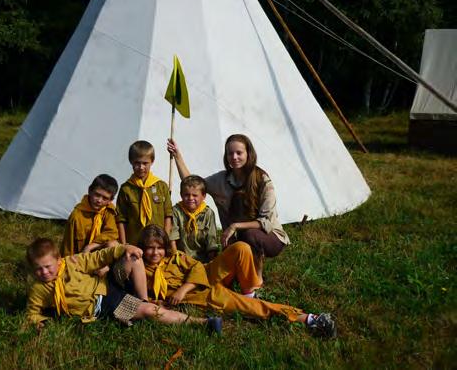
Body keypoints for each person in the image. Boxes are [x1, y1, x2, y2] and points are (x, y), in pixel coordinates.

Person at [139, 225, 336, 338]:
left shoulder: (174, 257)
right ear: (142, 248)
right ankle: (310, 319)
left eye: (159, 248)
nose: (155, 253)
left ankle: (250, 290)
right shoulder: (141, 271)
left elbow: (197, 267)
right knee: (253, 308)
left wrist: (183, 288)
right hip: (202, 295)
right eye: (150, 248)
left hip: (205, 275)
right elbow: (147, 297)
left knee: (241, 247)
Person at [25, 238, 222, 334]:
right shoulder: (38, 289)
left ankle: (142, 297)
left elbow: (99, 257)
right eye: (38, 269)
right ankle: (203, 323)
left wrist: (124, 248)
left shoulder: (72, 262)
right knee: (150, 311)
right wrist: (39, 321)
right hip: (106, 306)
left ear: (58, 260)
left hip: (108, 285)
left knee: (133, 257)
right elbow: (32, 312)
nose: (44, 272)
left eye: (47, 266)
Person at [167, 134, 290, 272]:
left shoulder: (262, 180)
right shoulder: (221, 179)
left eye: (239, 153)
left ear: (248, 153)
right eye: (230, 153)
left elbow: (267, 220)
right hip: (235, 237)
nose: (234, 157)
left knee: (250, 235)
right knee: (228, 269)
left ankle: (257, 277)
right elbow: (194, 186)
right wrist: (177, 155)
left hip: (269, 236)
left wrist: (235, 226)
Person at [117, 141, 173, 247]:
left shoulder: (161, 186)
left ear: (152, 161)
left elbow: (168, 216)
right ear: (131, 162)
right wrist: (124, 245)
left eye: (145, 163)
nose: (141, 167)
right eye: (137, 163)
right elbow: (121, 219)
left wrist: (166, 241)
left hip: (157, 245)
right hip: (134, 243)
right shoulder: (126, 189)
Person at [60, 174, 119, 257]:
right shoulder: (77, 215)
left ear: (110, 200)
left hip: (98, 252)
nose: (99, 200)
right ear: (90, 191)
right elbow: (68, 244)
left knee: (113, 244)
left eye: (105, 198)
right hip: (81, 257)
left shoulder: (109, 211)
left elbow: (112, 233)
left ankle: (109, 268)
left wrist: (90, 246)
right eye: (97, 195)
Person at [170, 175, 219, 263]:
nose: (190, 198)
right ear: (181, 194)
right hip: (182, 259)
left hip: (203, 260)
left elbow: (211, 241)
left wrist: (212, 261)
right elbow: (173, 239)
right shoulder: (176, 211)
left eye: (195, 195)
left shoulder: (208, 213)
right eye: (187, 195)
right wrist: (176, 259)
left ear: (203, 196)